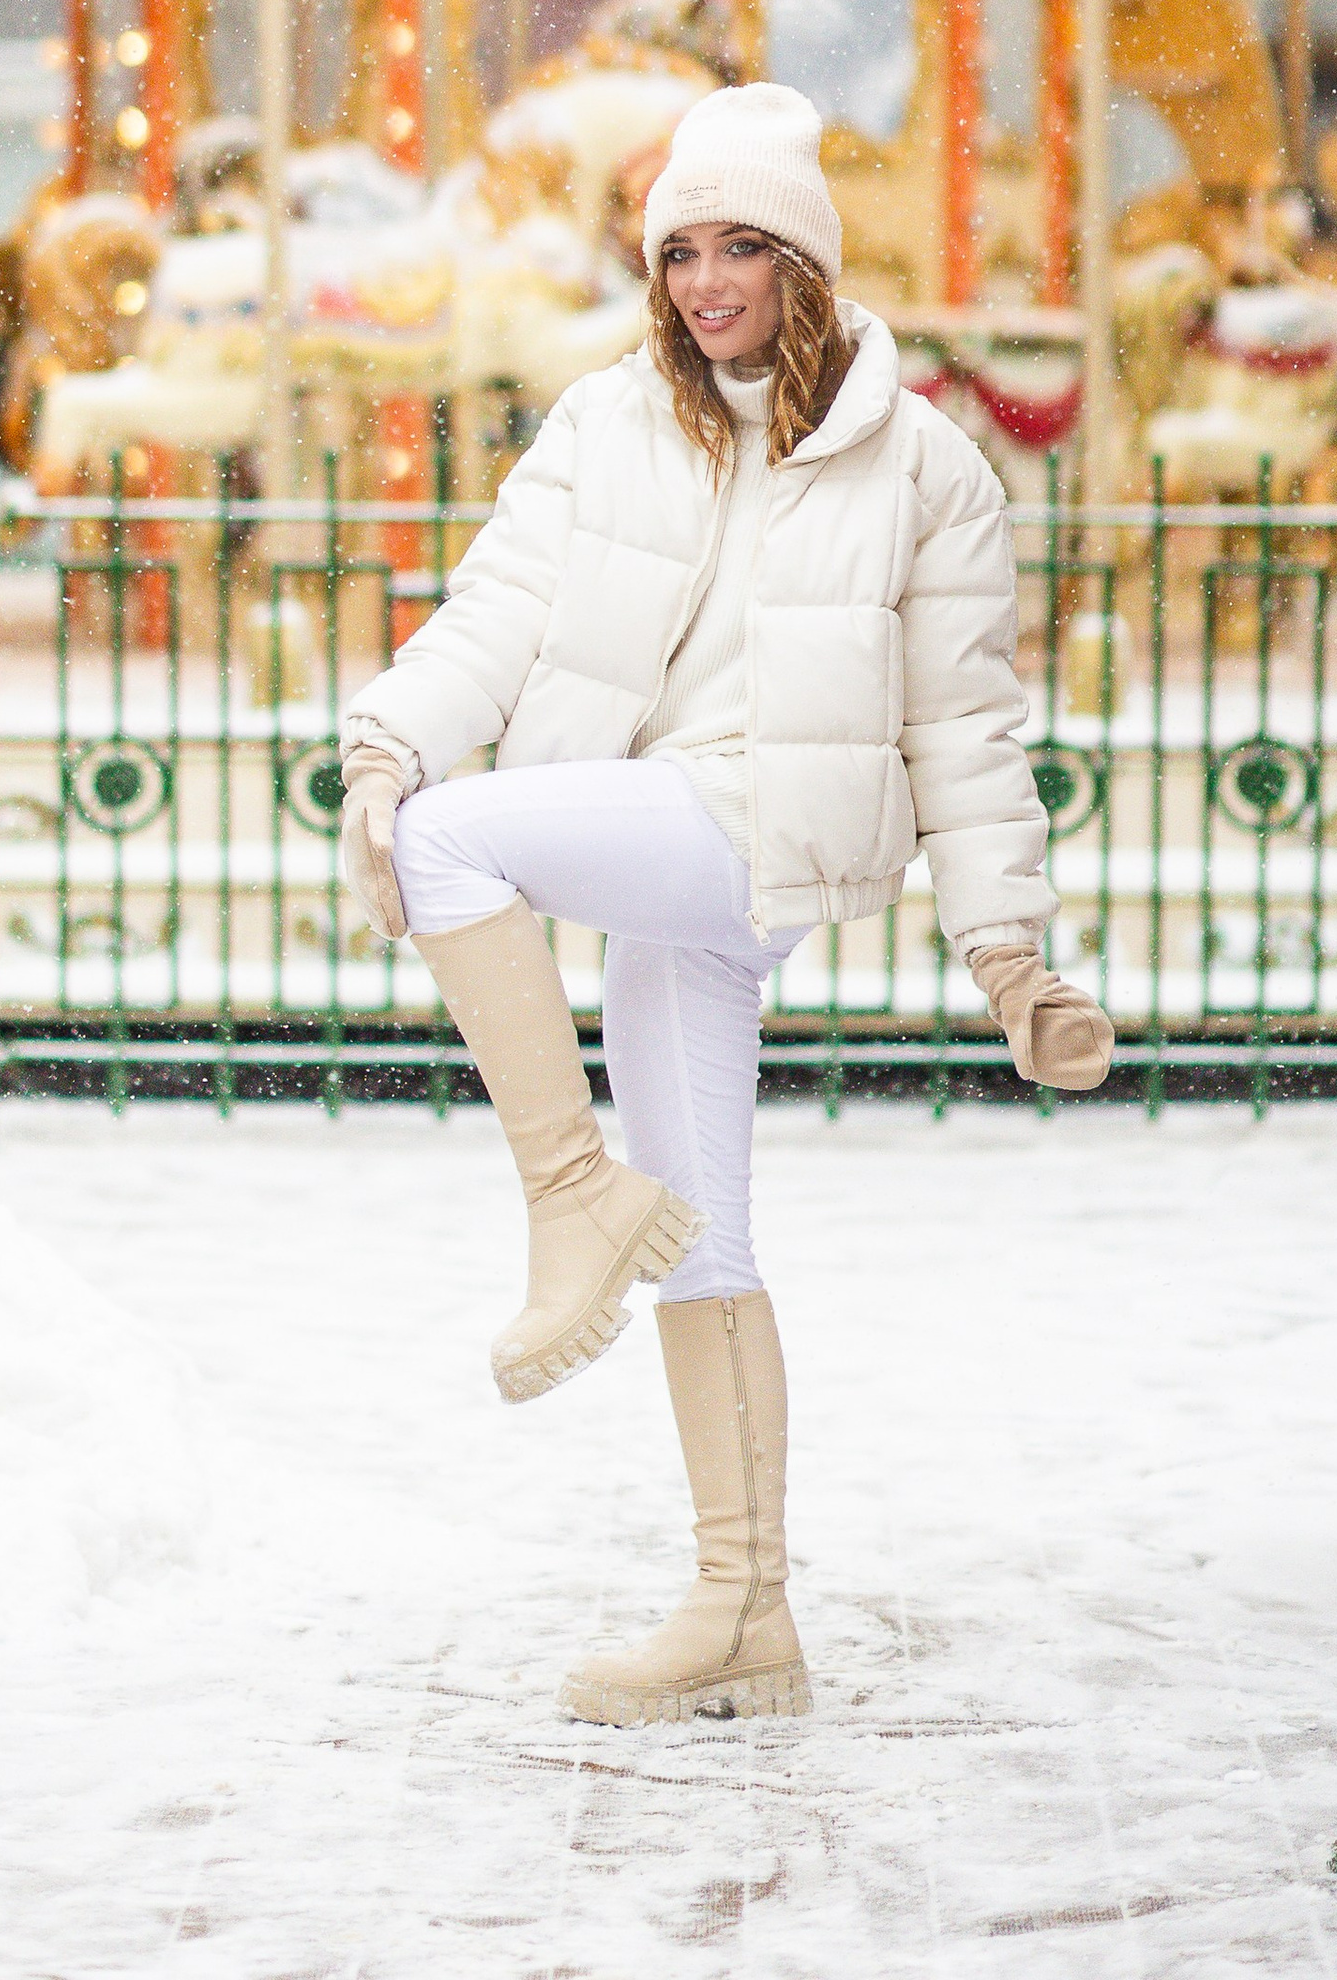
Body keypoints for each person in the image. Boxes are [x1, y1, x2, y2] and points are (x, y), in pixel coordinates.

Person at [337, 83, 1109, 1728]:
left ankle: (570, 1193)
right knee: (707, 1232)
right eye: (677, 252)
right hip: (664, 834)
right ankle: (745, 1608)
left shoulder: (924, 463)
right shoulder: (607, 422)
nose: (704, 282)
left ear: (801, 261)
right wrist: (391, 737)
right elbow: (498, 608)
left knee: (455, 845)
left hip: (768, 819)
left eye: (738, 246)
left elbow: (966, 722)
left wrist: (1008, 951)